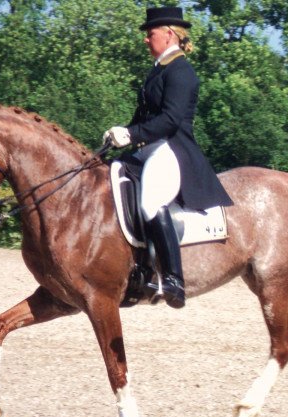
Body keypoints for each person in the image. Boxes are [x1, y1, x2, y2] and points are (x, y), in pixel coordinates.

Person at [103, 6, 233, 309]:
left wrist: (133, 135)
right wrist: (120, 134)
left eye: (150, 35)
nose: (146, 41)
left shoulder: (181, 71)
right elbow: (144, 115)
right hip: (149, 148)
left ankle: (174, 279)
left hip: (172, 149)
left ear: (169, 34)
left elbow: (171, 120)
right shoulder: (159, 69)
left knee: (151, 202)